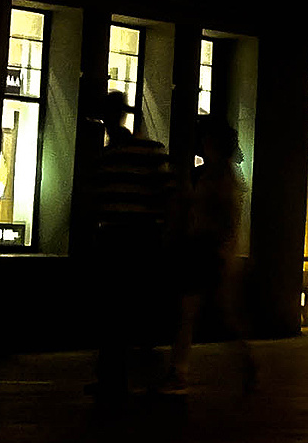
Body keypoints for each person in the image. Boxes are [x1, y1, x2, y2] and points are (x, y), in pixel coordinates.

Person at [78, 93, 173, 401]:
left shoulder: (105, 158)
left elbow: (94, 203)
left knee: (113, 312)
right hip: (142, 238)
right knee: (138, 309)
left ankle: (116, 379)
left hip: (117, 239)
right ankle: (143, 379)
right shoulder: (151, 152)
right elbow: (169, 196)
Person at [165, 116, 255, 393]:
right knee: (204, 313)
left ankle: (180, 371)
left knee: (192, 311)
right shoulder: (216, 174)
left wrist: (221, 248)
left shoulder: (219, 177)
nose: (201, 145)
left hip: (207, 249)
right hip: (207, 249)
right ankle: (244, 362)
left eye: (205, 140)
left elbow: (225, 217)